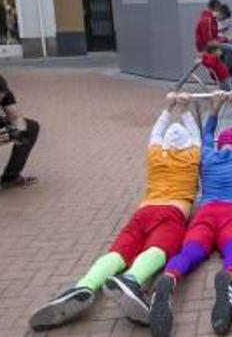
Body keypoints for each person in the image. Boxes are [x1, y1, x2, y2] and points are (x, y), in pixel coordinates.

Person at [29, 93, 200, 331]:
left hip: (142, 212)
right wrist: (185, 109)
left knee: (120, 251)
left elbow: (157, 132)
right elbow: (195, 133)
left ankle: (85, 285)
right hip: (172, 211)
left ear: (164, 145)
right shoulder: (192, 157)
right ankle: (131, 280)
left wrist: (169, 108)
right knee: (158, 249)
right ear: (188, 146)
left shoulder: (154, 155)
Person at [149, 90, 232, 337]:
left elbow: (205, 135)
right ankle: (229, 280)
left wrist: (215, 109)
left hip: (206, 212)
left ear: (219, 143)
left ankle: (170, 277)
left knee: (189, 252)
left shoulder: (206, 154)